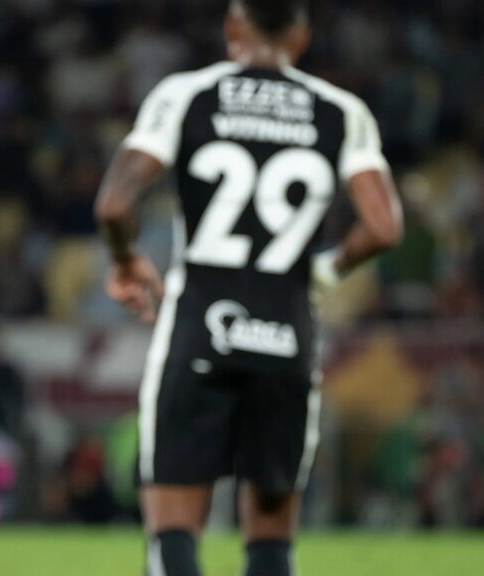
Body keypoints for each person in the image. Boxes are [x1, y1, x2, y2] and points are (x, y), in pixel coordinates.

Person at [94, 2, 403, 575]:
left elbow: (114, 204)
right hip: (287, 333)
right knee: (271, 542)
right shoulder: (341, 111)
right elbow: (384, 227)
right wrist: (325, 269)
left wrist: (125, 259)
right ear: (301, 35)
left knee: (172, 532)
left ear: (233, 27)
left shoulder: (186, 94)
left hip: (198, 327)